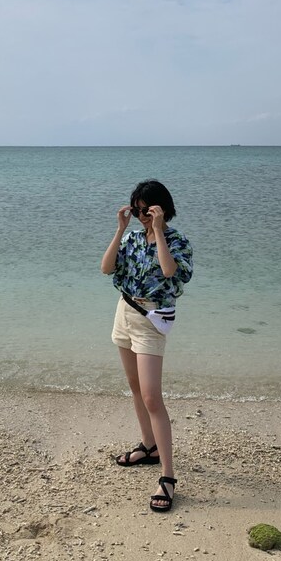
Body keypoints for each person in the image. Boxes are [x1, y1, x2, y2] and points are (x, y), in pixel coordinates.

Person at [100, 179, 193, 512]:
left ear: (161, 208)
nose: (141, 216)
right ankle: (149, 447)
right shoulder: (132, 238)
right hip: (125, 311)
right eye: (137, 210)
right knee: (136, 387)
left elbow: (169, 272)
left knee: (152, 396)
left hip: (152, 319)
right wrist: (120, 229)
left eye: (147, 210)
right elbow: (106, 268)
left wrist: (159, 232)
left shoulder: (178, 241)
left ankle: (168, 476)